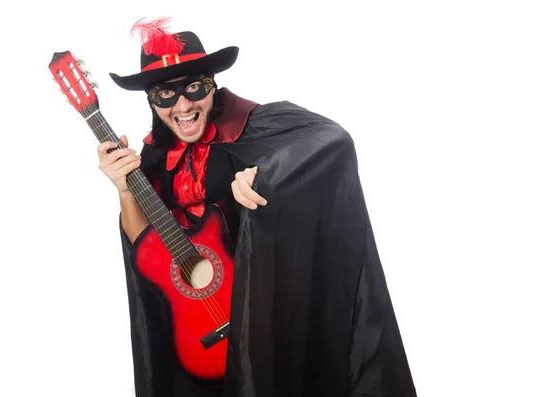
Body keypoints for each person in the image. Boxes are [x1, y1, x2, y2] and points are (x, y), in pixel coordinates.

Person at [97, 17, 417, 397]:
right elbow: (147, 250)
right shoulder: (151, 156)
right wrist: (125, 190)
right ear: (151, 100)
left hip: (266, 319)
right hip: (194, 333)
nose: (183, 105)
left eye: (194, 87)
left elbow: (334, 141)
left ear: (212, 85)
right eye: (166, 94)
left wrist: (266, 174)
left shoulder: (258, 124)